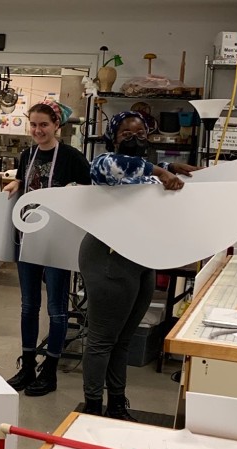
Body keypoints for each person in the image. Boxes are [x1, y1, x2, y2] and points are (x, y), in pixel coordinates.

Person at [80, 112, 198, 420]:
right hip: (108, 256)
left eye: (141, 134)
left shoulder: (147, 171)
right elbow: (122, 170)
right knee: (102, 338)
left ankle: (117, 403)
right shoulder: (102, 163)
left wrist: (171, 168)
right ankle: (92, 407)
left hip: (141, 259)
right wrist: (163, 169)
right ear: (113, 136)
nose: (135, 139)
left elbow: (142, 177)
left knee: (123, 339)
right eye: (126, 134)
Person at [1, 101, 91, 397]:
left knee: (55, 308)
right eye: (34, 125)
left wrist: (75, 191)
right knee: (29, 305)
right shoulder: (27, 154)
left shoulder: (71, 157)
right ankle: (27, 365)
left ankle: (49, 371)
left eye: (44, 125)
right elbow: (28, 183)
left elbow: (91, 192)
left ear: (57, 126)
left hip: (58, 240)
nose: (38, 130)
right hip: (28, 237)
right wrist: (15, 183)